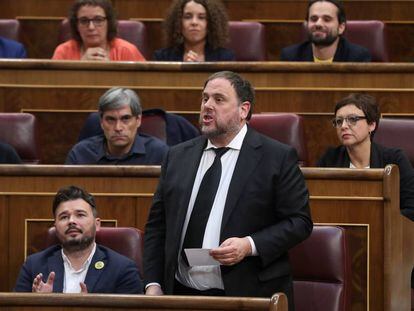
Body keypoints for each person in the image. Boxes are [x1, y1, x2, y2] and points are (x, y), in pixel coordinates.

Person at [143, 70, 312, 310]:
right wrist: (153, 283)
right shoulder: (177, 156)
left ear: (243, 110)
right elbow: (157, 226)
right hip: (179, 295)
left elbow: (299, 222)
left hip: (245, 295)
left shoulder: (276, 157)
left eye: (219, 99)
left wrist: (249, 245)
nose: (207, 106)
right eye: (204, 98)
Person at [14, 185, 143, 293]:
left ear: (97, 224)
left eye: (80, 215)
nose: (71, 221)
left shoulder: (122, 269)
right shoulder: (33, 265)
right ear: (55, 226)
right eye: (64, 217)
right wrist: (39, 304)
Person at [317, 93, 414, 221]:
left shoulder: (395, 159)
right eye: (339, 121)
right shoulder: (330, 158)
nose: (344, 126)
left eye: (352, 119)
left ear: (372, 125)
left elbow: (411, 208)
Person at [66, 87, 168, 165]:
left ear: (138, 120)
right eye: (111, 119)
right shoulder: (81, 154)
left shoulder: (160, 154)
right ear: (101, 122)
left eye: (126, 119)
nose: (118, 128)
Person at [52, 0, 145, 61]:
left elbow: (144, 85)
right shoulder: (63, 52)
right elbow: (53, 88)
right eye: (84, 21)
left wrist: (111, 70)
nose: (91, 27)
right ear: (76, 25)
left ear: (109, 23)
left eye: (98, 20)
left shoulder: (127, 51)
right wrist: (79, 68)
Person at [280, 0, 371, 62]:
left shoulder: (358, 57)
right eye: (313, 19)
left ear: (341, 28)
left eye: (327, 19)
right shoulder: (290, 56)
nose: (318, 24)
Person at [153, 0, 235, 62]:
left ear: (211, 24)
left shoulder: (225, 58)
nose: (194, 22)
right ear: (178, 22)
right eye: (188, 17)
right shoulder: (162, 57)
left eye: (201, 17)